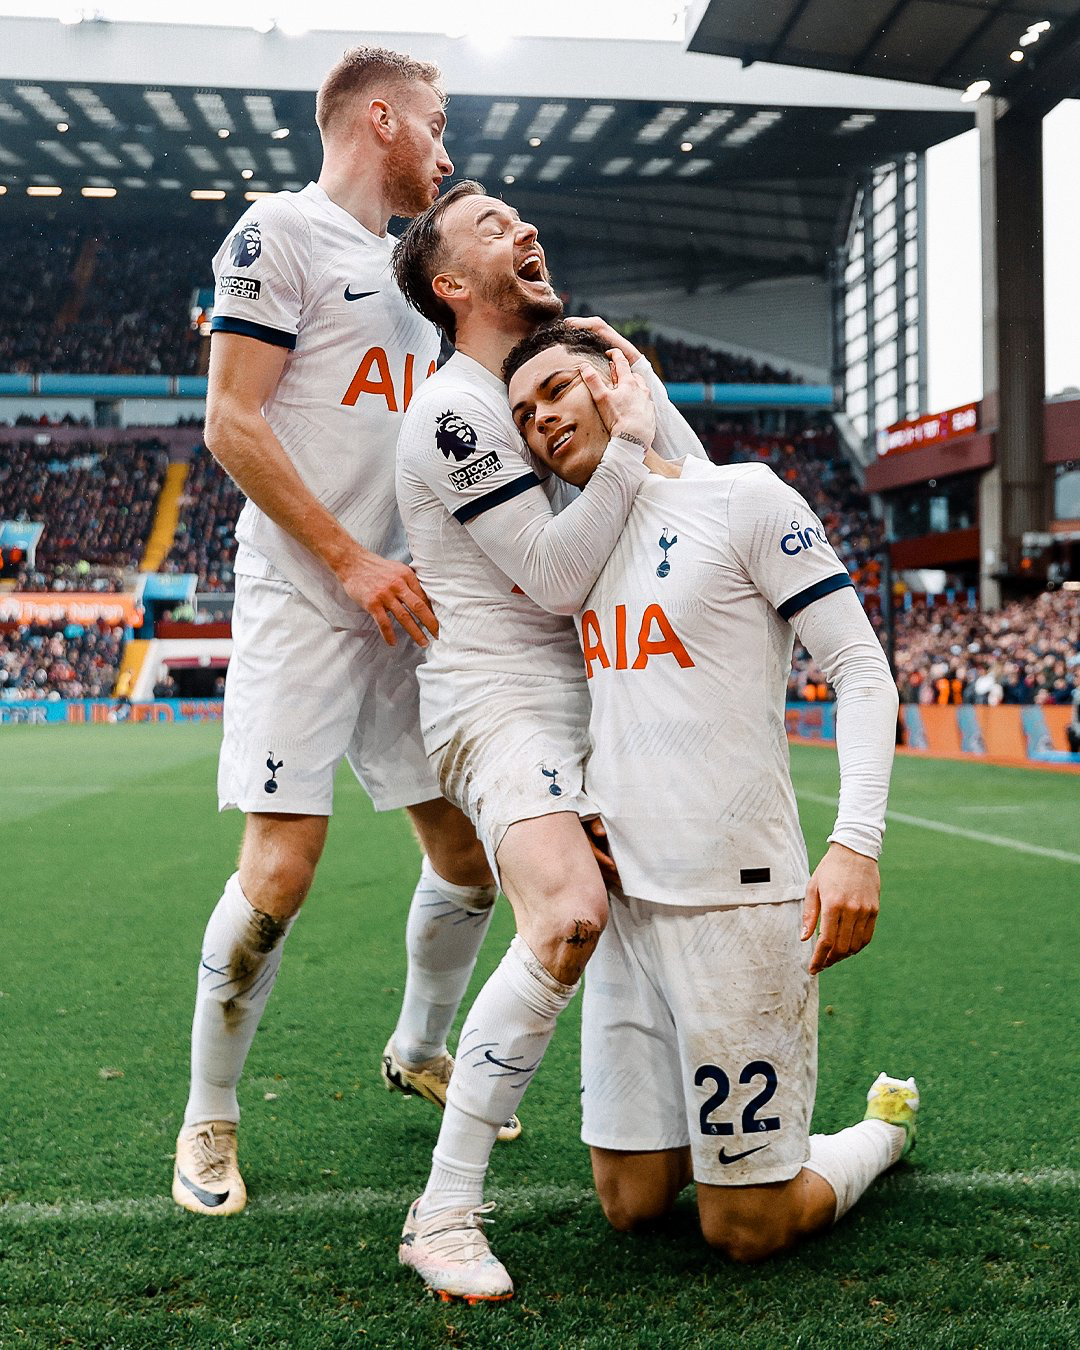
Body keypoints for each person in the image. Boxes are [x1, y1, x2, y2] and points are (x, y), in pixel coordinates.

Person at [173, 48, 508, 1221]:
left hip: (401, 603)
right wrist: (351, 559)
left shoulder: (421, 273)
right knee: (279, 875)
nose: (447, 149)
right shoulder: (280, 233)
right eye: (435, 123)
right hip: (308, 597)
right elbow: (230, 421)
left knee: (470, 859)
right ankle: (208, 1118)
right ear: (380, 118)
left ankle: (421, 1047)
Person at [503, 322, 918, 1262]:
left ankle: (880, 1132)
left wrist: (857, 842)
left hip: (736, 906)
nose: (542, 422)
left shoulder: (746, 499)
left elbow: (860, 668)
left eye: (557, 391)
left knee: (744, 1229)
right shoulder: (572, 552)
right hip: (625, 908)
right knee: (631, 1204)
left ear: (617, 378)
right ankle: (733, 1132)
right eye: (524, 416)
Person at [391, 182, 705, 1299]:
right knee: (569, 910)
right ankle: (443, 1213)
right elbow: (558, 573)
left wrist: (646, 408)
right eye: (492, 228)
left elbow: (697, 503)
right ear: (450, 285)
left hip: (606, 700)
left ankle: (730, 1151)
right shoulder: (456, 410)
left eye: (524, 219)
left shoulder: (546, 384)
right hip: (499, 706)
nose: (524, 231)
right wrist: (628, 436)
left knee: (648, 930)